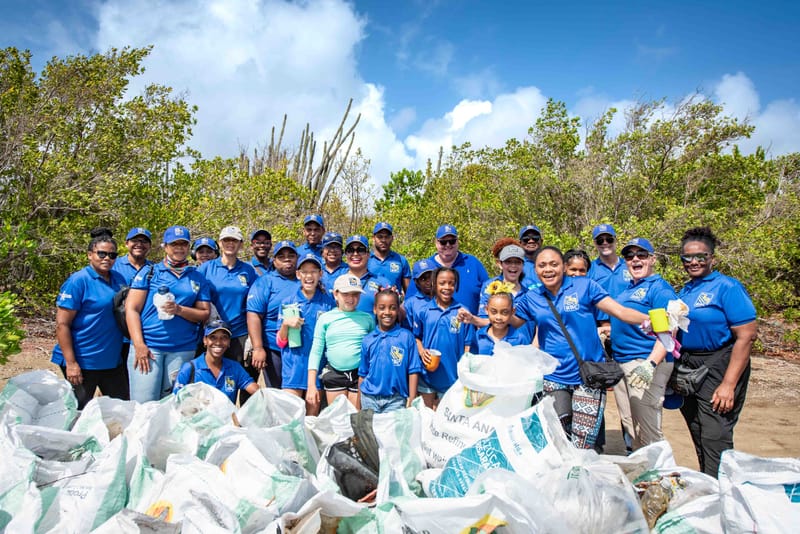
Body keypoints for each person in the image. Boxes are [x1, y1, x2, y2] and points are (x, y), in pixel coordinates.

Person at [514, 246, 648, 449]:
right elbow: (510, 321)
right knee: (556, 436)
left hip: (589, 376)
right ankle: (561, 480)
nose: (548, 269)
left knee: (583, 443)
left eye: (553, 264)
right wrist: (480, 317)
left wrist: (652, 320)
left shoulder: (585, 286)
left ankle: (580, 479)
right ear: (536, 270)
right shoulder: (532, 298)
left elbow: (619, 312)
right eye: (542, 265)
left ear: (564, 267)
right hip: (554, 377)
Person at [676, 227, 757, 478]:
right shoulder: (685, 291)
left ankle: (724, 493)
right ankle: (708, 482)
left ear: (712, 258)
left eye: (700, 256)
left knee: (715, 433)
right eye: (687, 258)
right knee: (698, 429)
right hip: (689, 365)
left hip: (720, 362)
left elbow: (746, 335)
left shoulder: (726, 287)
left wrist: (728, 384)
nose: (693, 262)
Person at [125, 225, 212, 402]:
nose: (179, 248)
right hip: (149, 348)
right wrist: (139, 344)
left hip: (182, 349)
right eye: (174, 244)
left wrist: (179, 310)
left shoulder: (197, 277)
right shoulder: (149, 272)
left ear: (189, 248)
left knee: (172, 403)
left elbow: (204, 314)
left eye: (183, 244)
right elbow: (131, 309)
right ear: (165, 246)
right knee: (144, 404)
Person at [610, 238, 678, 450]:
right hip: (622, 361)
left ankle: (662, 475)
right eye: (630, 256)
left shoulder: (659, 289)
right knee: (630, 424)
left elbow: (669, 331)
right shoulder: (628, 288)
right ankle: (641, 473)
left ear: (653, 259)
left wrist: (650, 364)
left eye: (642, 255)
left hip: (644, 361)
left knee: (648, 427)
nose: (635, 259)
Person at [51, 228, 129, 409]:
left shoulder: (119, 279)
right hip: (82, 361)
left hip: (111, 361)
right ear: (89, 255)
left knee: (121, 409)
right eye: (101, 253)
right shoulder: (78, 281)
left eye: (112, 255)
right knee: (79, 411)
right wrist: (71, 364)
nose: (107, 258)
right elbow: (62, 325)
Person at [197, 226, 259, 402]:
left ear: (241, 244)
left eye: (234, 240)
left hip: (239, 334)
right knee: (213, 383)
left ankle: (244, 424)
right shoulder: (207, 269)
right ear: (220, 243)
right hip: (212, 333)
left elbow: (255, 302)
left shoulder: (248, 271)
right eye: (226, 240)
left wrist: (253, 339)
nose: (230, 244)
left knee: (242, 381)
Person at [276, 253, 335, 414]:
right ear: (298, 274)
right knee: (290, 418)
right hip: (293, 367)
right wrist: (286, 324)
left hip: (317, 368)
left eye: (314, 271)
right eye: (304, 272)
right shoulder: (288, 302)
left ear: (320, 274)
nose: (309, 276)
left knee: (311, 419)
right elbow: (280, 342)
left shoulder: (328, 302)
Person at [307, 274, 375, 412]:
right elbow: (316, 351)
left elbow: (373, 350)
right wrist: (311, 385)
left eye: (355, 294)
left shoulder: (367, 319)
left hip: (359, 374)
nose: (351, 299)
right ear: (336, 294)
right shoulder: (325, 319)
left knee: (356, 419)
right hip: (334, 373)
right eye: (346, 294)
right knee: (337, 420)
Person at [414, 267, 475, 408]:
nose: (447, 287)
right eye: (442, 283)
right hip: (427, 377)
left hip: (452, 379)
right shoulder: (424, 310)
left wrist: (464, 372)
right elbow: (416, 337)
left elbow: (467, 345)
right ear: (435, 284)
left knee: (444, 423)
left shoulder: (462, 311)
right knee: (426, 417)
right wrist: (422, 351)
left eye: (451, 283)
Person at [246, 240, 300, 388]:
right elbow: (254, 315)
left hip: (302, 348)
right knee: (278, 393)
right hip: (274, 348)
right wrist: (258, 348)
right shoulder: (265, 282)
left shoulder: (306, 279)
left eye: (291, 255)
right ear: (274, 261)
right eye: (281, 256)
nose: (287, 259)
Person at [359, 288, 421, 413]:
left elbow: (413, 370)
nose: (387, 312)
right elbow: (362, 374)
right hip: (369, 398)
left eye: (392, 308)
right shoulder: (368, 339)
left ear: (398, 310)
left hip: (396, 400)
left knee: (392, 432)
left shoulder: (406, 337)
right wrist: (358, 405)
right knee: (369, 432)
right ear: (375, 309)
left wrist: (412, 399)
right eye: (382, 307)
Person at [172, 320, 259, 403]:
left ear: (229, 342)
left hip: (226, 417)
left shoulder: (234, 368)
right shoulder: (190, 368)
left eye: (224, 338)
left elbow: (253, 388)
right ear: (205, 340)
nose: (218, 342)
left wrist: (266, 396)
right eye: (213, 337)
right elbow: (176, 400)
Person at [423, 224, 489, 315]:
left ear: (457, 242)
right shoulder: (425, 267)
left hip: (470, 325)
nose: (448, 245)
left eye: (452, 241)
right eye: (443, 242)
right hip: (435, 327)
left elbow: (490, 294)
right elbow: (411, 302)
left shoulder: (473, 263)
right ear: (436, 242)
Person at [474, 241, 530, 331]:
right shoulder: (490, 286)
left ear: (523, 265)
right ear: (500, 264)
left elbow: (529, 325)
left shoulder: (529, 294)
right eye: (508, 262)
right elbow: (483, 320)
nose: (513, 266)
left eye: (517, 262)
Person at [469, 282, 532, 355]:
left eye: (504, 312)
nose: (498, 317)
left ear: (512, 311)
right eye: (494, 312)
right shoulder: (478, 337)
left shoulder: (520, 339)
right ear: (486, 310)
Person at [344, 235, 391, 315]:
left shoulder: (382, 283)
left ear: (368, 254)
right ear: (345, 255)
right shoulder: (338, 280)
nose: (355, 254)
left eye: (361, 250)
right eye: (350, 250)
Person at [368, 222, 411, 293]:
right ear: (373, 238)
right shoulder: (366, 260)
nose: (383, 240)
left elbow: (409, 293)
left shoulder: (401, 260)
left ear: (392, 238)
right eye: (380, 237)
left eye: (387, 237)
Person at [403, 259, 435, 331]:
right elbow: (406, 330)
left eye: (431, 277)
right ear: (416, 281)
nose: (428, 282)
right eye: (423, 279)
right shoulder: (410, 304)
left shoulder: (443, 299)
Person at [519, 224, 543, 289]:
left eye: (535, 238)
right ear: (520, 243)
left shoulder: (551, 263)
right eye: (526, 239)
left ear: (541, 241)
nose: (531, 241)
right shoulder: (516, 266)